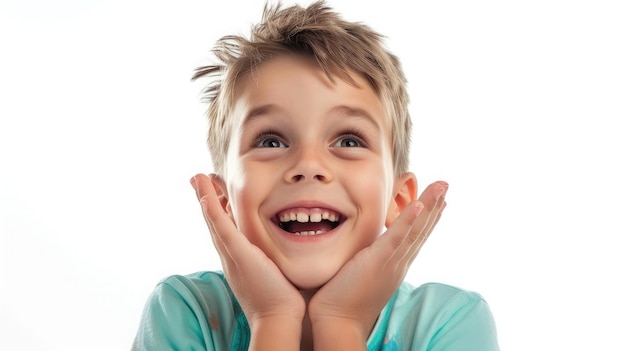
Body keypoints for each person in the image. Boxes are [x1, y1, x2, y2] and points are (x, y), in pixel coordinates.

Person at [132, 1, 499, 350]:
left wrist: (341, 322)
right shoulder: (184, 312)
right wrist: (273, 319)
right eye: (271, 141)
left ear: (398, 200)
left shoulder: (449, 322)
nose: (308, 165)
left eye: (349, 140)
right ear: (223, 200)